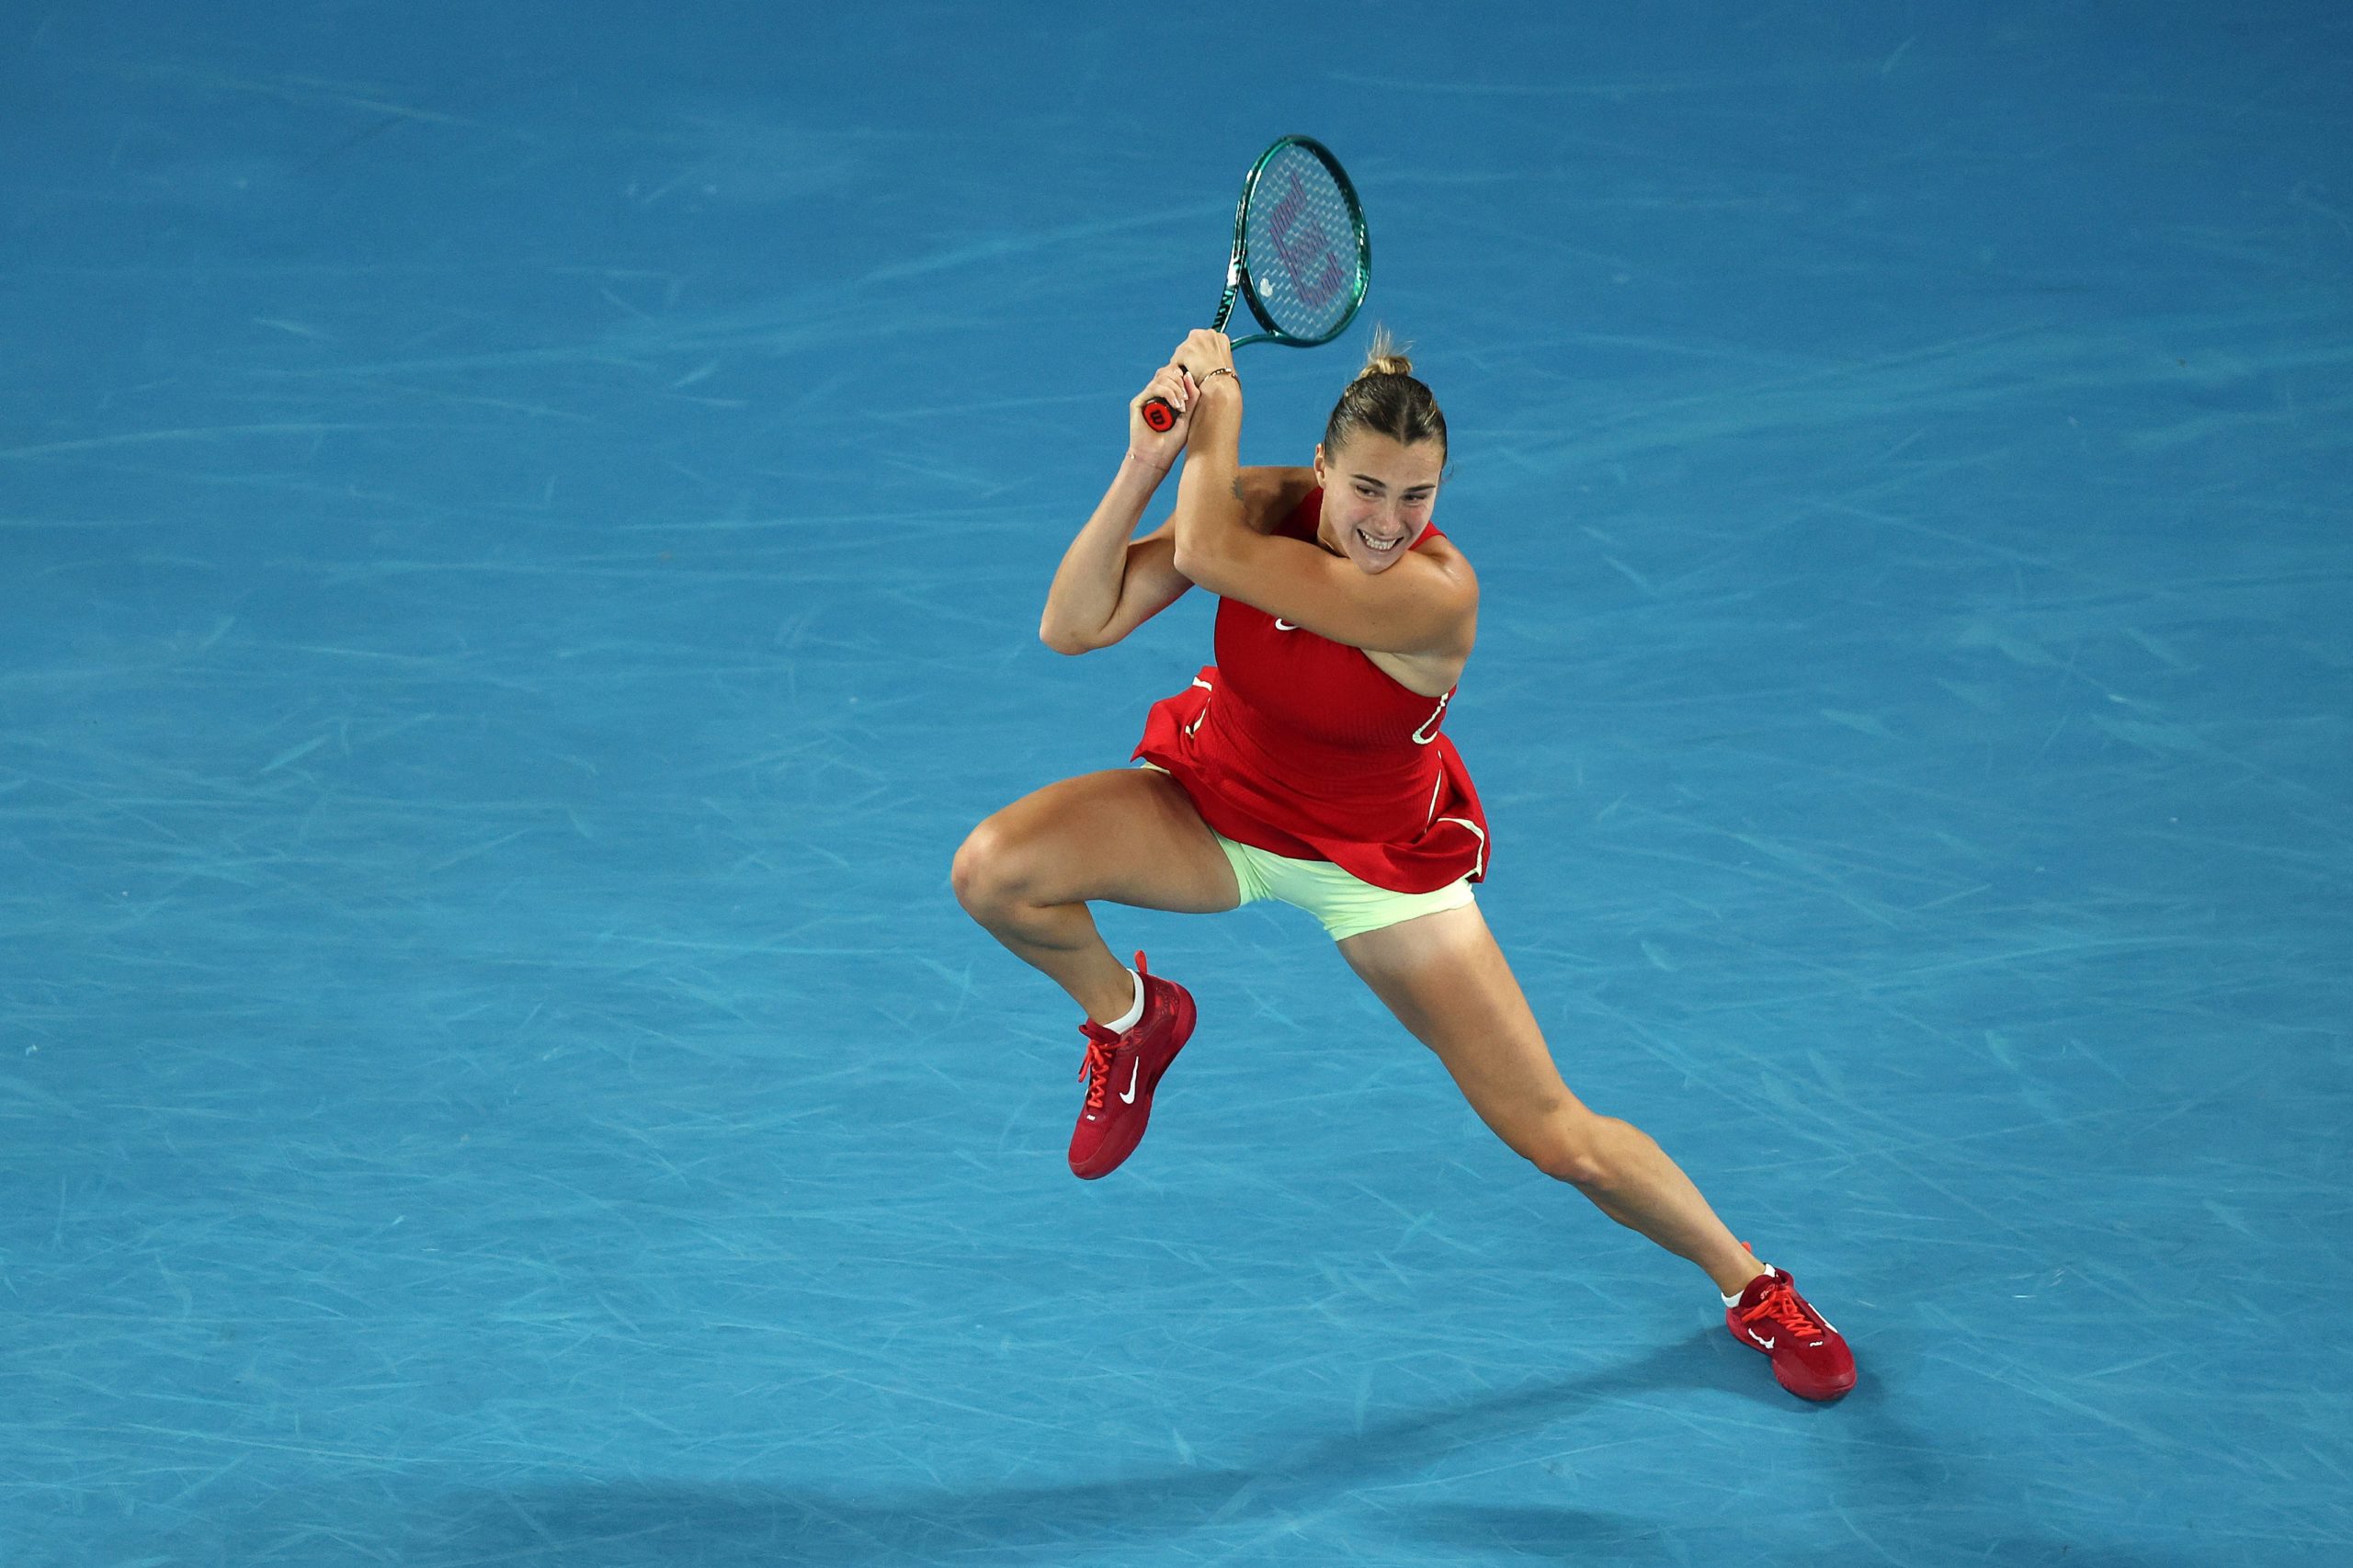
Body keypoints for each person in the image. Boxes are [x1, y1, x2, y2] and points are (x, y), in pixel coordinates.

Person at [950, 328, 1856, 1403]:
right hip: (1217, 803)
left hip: (1376, 865)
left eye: (1416, 497)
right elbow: (1070, 623)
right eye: (1366, 488)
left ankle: (1751, 1283)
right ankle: (1131, 1017)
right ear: (1322, 470)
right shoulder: (1247, 504)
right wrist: (1146, 463)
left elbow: (1206, 556)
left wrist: (1219, 405)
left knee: (1557, 1136)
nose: (1387, 523)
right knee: (996, 870)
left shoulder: (1435, 595)